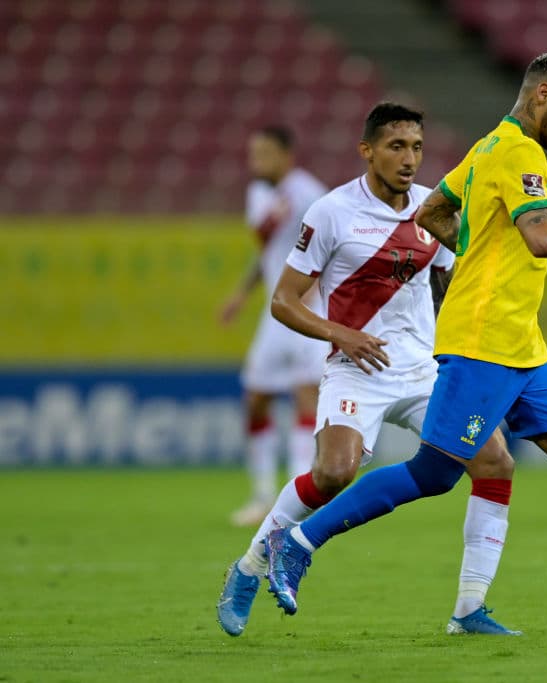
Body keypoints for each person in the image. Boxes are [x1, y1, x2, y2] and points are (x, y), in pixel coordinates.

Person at [262, 54, 547, 638]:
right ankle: (299, 541)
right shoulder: (518, 153)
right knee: (434, 473)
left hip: (522, 344)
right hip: (484, 342)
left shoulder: (484, 149)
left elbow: (431, 211)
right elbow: (541, 237)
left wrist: (478, 254)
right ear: (542, 96)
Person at [217, 102, 520, 638]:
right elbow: (284, 302)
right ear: (368, 151)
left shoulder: (435, 207)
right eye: (396, 147)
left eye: (417, 148)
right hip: (356, 369)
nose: (409, 159)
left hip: (425, 371)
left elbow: (447, 289)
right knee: (335, 472)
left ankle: (470, 608)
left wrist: (469, 358)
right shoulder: (331, 212)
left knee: (494, 460)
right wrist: (343, 335)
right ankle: (248, 567)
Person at [220, 125, 330, 527]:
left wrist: (318, 303)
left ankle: (296, 497)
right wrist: (240, 295)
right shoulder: (258, 195)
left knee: (306, 395)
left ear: (287, 155)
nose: (256, 162)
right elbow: (268, 254)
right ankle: (263, 495)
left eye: (264, 153)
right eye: (253, 153)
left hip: (305, 310)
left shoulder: (309, 195)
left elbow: (327, 251)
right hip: (273, 313)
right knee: (256, 399)